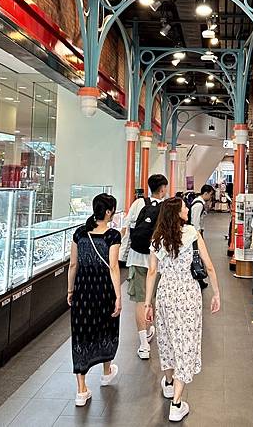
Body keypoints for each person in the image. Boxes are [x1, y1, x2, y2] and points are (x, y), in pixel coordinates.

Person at [145, 197, 221, 422]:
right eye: (184, 208)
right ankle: (177, 404)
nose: (187, 209)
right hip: (188, 293)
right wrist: (216, 293)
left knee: (167, 339)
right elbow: (208, 266)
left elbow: (152, 272)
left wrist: (148, 303)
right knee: (186, 344)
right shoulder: (192, 234)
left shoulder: (157, 238)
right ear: (177, 213)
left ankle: (169, 383)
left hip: (166, 293)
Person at [67, 193, 122, 407]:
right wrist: (118, 296)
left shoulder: (80, 233)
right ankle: (106, 372)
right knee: (107, 328)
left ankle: (81, 390)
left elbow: (73, 264)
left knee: (81, 334)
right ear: (108, 212)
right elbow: (113, 267)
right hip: (104, 291)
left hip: (83, 291)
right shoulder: (112, 236)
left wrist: (70, 290)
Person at [122, 174, 169, 359]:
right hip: (157, 261)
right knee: (153, 297)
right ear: (162, 189)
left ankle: (143, 344)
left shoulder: (138, 203)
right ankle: (150, 329)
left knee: (140, 301)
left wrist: (123, 255)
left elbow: (127, 229)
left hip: (136, 258)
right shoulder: (166, 208)